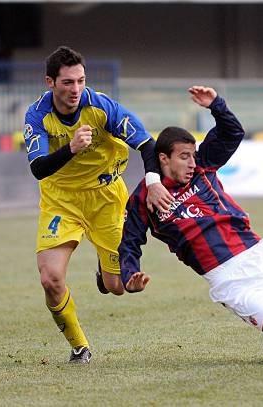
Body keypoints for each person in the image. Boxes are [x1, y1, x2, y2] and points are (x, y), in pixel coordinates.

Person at [118, 86, 263, 360]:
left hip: (260, 253)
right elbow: (130, 243)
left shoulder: (203, 165)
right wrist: (129, 275)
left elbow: (232, 133)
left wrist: (217, 104)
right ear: (163, 159)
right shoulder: (143, 198)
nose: (192, 162)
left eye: (193, 155)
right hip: (230, 279)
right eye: (184, 157)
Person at [23, 46, 173, 363]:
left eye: (80, 80)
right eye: (67, 82)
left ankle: (105, 275)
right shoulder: (37, 115)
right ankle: (79, 347)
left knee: (118, 287)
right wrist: (72, 148)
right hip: (60, 201)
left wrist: (153, 182)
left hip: (106, 199)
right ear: (50, 82)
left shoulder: (102, 107)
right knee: (50, 279)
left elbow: (147, 144)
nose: (75, 89)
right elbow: (38, 168)